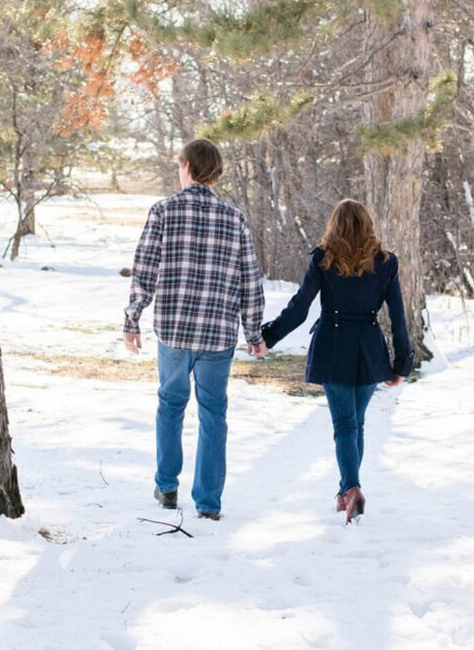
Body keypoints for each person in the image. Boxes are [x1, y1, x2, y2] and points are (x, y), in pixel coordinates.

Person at [123, 138, 267, 521]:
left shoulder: (164, 211)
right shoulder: (234, 219)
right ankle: (208, 503)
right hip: (218, 335)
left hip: (174, 330)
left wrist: (132, 318)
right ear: (215, 172)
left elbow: (145, 268)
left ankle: (167, 486)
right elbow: (249, 281)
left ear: (187, 166)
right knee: (213, 414)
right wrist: (253, 333)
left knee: (170, 405)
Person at [261, 199, 413, 524]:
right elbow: (398, 316)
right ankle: (346, 491)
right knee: (354, 424)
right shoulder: (385, 263)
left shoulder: (324, 259)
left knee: (345, 425)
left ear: (335, 226)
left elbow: (300, 307)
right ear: (368, 226)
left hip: (333, 346)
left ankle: (352, 489)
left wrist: (268, 337)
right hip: (370, 349)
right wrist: (402, 362)